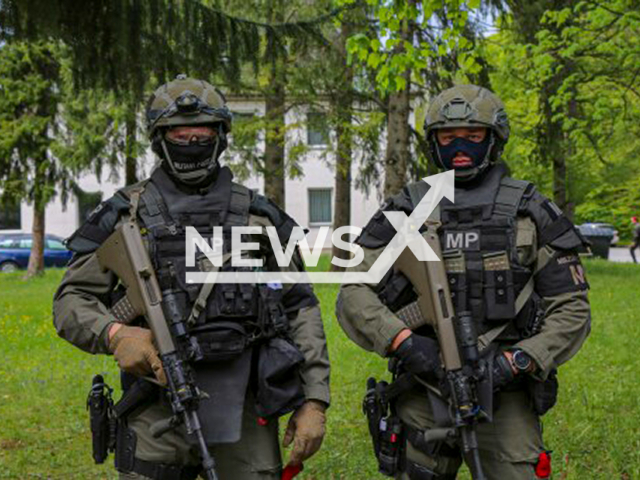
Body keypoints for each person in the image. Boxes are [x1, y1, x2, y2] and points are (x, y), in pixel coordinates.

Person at [53, 75, 330, 480]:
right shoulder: (123, 217)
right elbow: (70, 300)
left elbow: (300, 307)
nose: (192, 141)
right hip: (154, 406)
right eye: (180, 134)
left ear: (221, 136)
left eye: (202, 132)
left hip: (247, 404)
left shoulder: (258, 217)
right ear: (158, 138)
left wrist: (314, 401)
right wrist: (114, 333)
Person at [336, 85, 591, 480]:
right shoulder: (407, 209)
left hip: (505, 391)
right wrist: (403, 341)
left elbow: (572, 308)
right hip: (423, 386)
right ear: (433, 143)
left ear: (494, 140)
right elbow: (353, 291)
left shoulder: (531, 210)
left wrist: (518, 360)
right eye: (447, 137)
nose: (460, 147)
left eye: (473, 137)